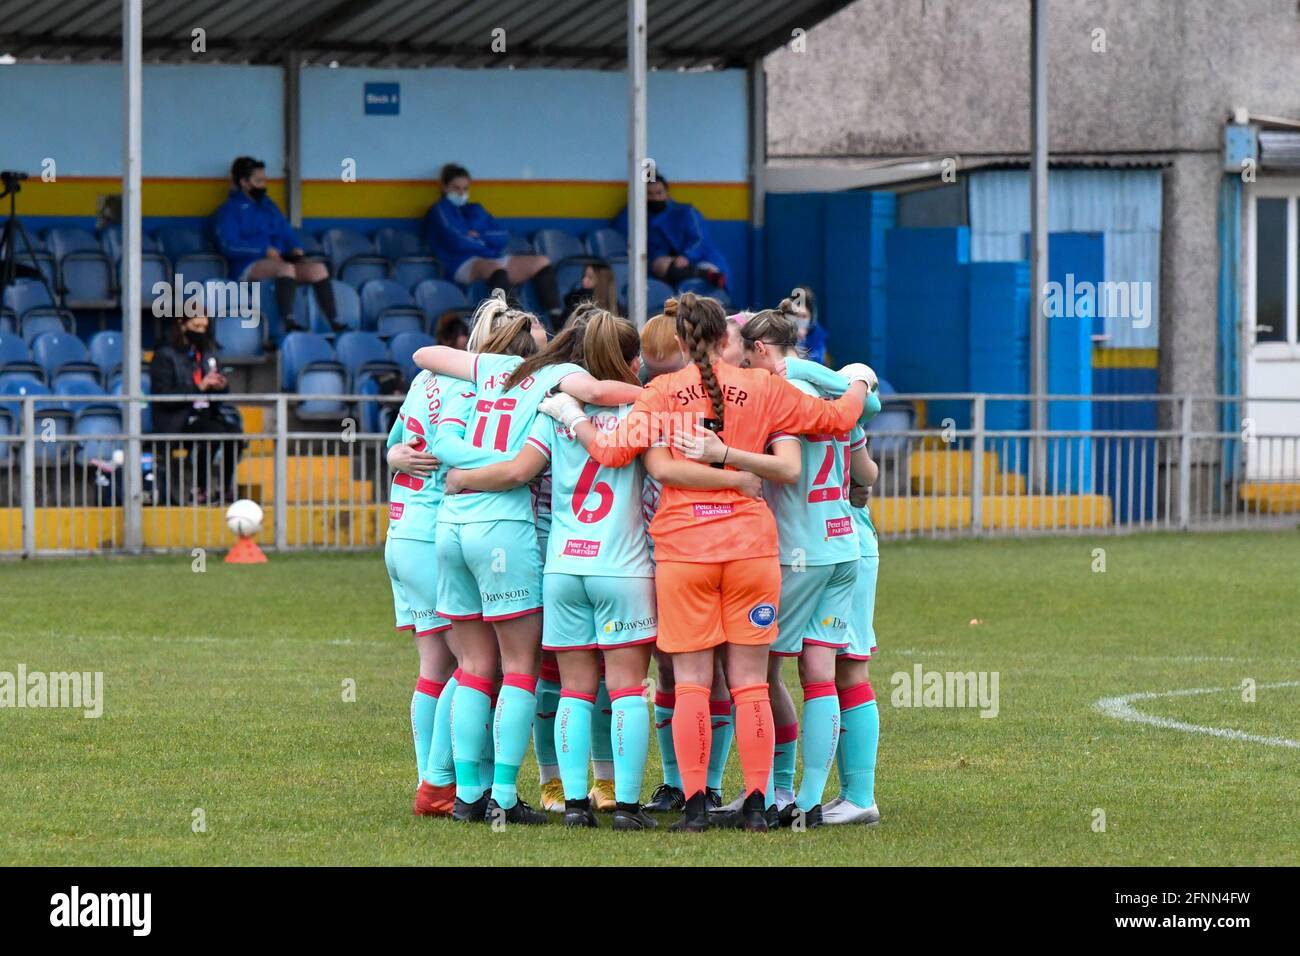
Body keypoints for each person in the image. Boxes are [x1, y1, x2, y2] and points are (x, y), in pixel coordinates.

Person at [535, 292, 874, 832]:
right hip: (751, 551)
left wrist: (571, 415)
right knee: (750, 684)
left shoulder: (660, 392)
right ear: (725, 340)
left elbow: (611, 453)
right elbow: (838, 419)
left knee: (690, 682)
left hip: (683, 552)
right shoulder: (764, 386)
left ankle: (694, 806)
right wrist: (859, 378)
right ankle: (760, 807)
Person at [441, 306, 760, 828]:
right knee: (628, 688)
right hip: (623, 566)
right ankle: (629, 807)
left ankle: (572, 805)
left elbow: (526, 476)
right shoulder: (646, 413)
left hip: (565, 566)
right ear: (633, 361)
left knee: (573, 690)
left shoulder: (554, 411)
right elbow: (659, 484)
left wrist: (461, 478)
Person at [411, 294, 644, 825]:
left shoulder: (489, 367)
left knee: (472, 667)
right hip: (503, 529)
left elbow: (425, 354)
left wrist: (460, 458)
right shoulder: (558, 377)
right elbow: (602, 392)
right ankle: (504, 796)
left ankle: (466, 796)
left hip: (450, 524)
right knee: (519, 669)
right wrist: (664, 394)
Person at [384, 366, 458, 817]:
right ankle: (438, 783)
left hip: (401, 532)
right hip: (429, 536)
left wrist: (397, 457)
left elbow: (394, 443)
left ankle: (428, 780)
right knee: (472, 665)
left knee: (435, 665)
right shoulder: (474, 386)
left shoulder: (424, 378)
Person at [424, 163, 563, 325]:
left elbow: (502, 236)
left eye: (465, 188)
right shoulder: (439, 211)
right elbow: (457, 241)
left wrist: (478, 236)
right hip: (461, 263)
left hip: (492, 257)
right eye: (456, 188)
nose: (461, 193)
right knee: (493, 267)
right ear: (445, 187)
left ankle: (556, 319)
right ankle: (514, 320)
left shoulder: (475, 210)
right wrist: (484, 242)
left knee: (541, 262)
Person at [214, 156, 337, 332]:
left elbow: (286, 232)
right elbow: (228, 245)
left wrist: (295, 248)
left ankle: (335, 322)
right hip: (246, 265)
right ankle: (289, 321)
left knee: (318, 270)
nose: (263, 185)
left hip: (279, 260)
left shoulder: (269, 206)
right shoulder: (229, 210)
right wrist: (264, 250)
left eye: (264, 180)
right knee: (285, 269)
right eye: (258, 180)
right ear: (244, 182)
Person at [148, 310, 243, 504]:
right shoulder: (164, 356)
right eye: (196, 327)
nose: (201, 332)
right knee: (212, 433)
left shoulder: (207, 354)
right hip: (175, 419)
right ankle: (200, 489)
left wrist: (220, 387)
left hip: (205, 414)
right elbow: (163, 397)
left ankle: (225, 488)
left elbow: (217, 395)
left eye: (204, 328)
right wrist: (198, 387)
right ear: (182, 325)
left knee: (234, 436)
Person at [615, 176, 730, 289]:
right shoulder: (640, 216)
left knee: (711, 272)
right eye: (649, 194)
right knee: (660, 265)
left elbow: (699, 240)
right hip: (668, 264)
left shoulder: (685, 211)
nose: (654, 198)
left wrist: (686, 256)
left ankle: (707, 274)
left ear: (667, 194)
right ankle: (702, 274)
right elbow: (624, 230)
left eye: (659, 193)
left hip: (699, 259)